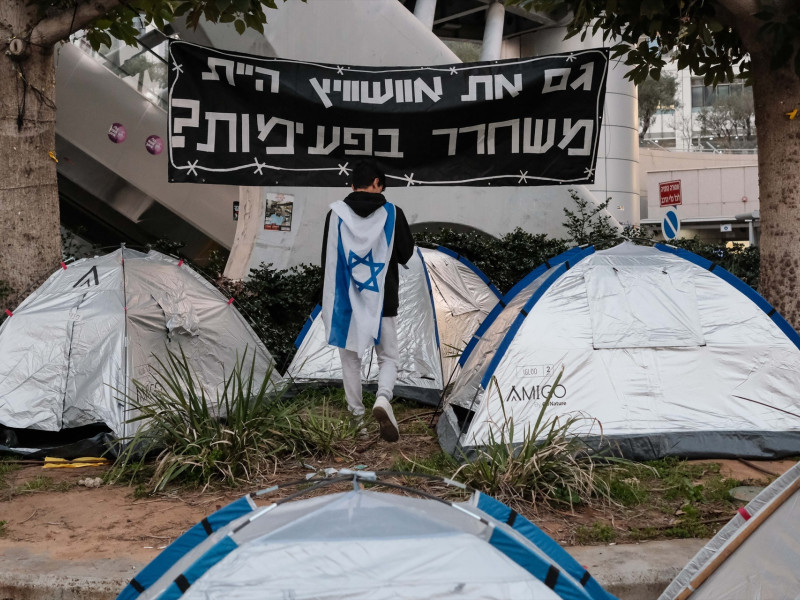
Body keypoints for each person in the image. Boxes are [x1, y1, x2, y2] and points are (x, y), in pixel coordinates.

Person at [320, 161, 414, 442]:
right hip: (383, 297)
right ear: (377, 183)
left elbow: (328, 259)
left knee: (350, 360)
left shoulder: (335, 214)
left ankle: (358, 421)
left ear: (351, 185)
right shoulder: (393, 214)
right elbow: (406, 253)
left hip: (345, 302)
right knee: (389, 356)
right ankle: (383, 398)